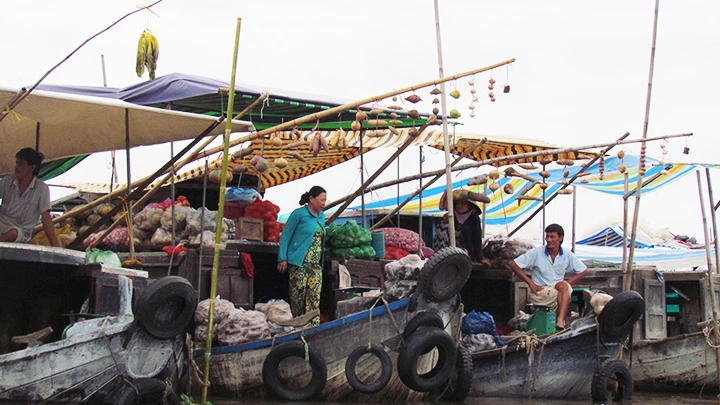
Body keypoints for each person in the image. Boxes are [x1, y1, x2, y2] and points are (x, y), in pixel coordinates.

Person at [506, 223, 588, 330]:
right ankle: (560, 321)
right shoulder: (537, 252)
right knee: (565, 291)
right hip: (540, 292)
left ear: (560, 238)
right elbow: (513, 264)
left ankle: (558, 322)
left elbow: (584, 270)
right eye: (547, 237)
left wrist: (568, 283)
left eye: (552, 237)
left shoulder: (567, 254)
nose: (549, 240)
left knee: (564, 287)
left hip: (556, 289)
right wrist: (530, 283)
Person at [277, 186, 327, 326]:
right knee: (298, 295)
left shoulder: (322, 216)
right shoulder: (299, 214)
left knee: (314, 295)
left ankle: (313, 325)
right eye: (321, 200)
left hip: (315, 264)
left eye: (325, 200)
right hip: (298, 263)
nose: (324, 203)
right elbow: (286, 235)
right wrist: (282, 258)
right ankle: (297, 323)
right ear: (311, 199)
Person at [0, 148, 59, 247]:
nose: (16, 167)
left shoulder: (42, 189)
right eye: (17, 163)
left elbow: (46, 219)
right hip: (1, 223)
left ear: (32, 167)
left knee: (13, 233)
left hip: (21, 232)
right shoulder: (7, 181)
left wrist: (56, 247)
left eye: (21, 163)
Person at [433, 188, 491, 266]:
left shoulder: (474, 218)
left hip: (466, 252)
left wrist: (480, 258)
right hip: (446, 252)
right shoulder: (450, 217)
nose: (459, 206)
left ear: (469, 205)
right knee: (444, 226)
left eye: (463, 203)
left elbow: (476, 239)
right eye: (457, 203)